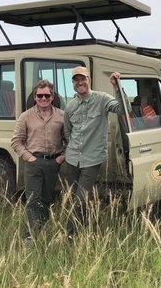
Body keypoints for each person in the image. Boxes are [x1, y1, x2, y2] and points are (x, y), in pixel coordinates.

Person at [63, 66, 127, 236]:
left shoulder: (102, 99)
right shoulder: (70, 106)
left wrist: (116, 86)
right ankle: (82, 229)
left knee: (80, 199)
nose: (80, 82)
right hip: (72, 159)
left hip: (92, 160)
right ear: (73, 83)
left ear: (89, 80)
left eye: (82, 79)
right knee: (74, 198)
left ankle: (67, 235)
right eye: (76, 80)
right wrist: (71, 149)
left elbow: (122, 109)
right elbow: (68, 132)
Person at [11, 80, 66, 239]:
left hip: (53, 163)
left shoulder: (62, 116)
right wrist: (29, 157)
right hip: (34, 163)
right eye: (39, 95)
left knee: (47, 199)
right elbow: (16, 141)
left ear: (52, 96)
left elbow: (70, 139)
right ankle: (29, 236)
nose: (43, 98)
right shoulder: (25, 116)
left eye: (46, 95)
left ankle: (42, 231)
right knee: (33, 200)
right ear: (34, 97)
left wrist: (62, 157)